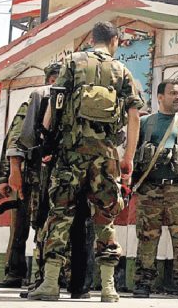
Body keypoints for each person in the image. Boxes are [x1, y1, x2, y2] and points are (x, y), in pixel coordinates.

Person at [28, 21, 143, 302]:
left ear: (92, 39)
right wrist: (128, 157)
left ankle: (50, 284)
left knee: (60, 215)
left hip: (71, 153)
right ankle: (108, 288)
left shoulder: (73, 62)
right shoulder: (122, 71)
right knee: (106, 217)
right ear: (114, 41)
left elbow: (56, 102)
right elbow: (134, 116)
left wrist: (47, 141)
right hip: (105, 157)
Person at [0, 63, 95, 299]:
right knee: (41, 224)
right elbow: (16, 140)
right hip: (40, 175)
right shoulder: (40, 97)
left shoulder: (80, 100)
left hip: (67, 174)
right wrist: (8, 174)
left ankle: (62, 279)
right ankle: (40, 278)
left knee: (65, 225)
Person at [132, 79, 178, 299]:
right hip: (149, 190)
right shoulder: (145, 123)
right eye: (173, 93)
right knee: (147, 237)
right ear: (160, 97)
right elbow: (131, 153)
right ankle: (143, 283)